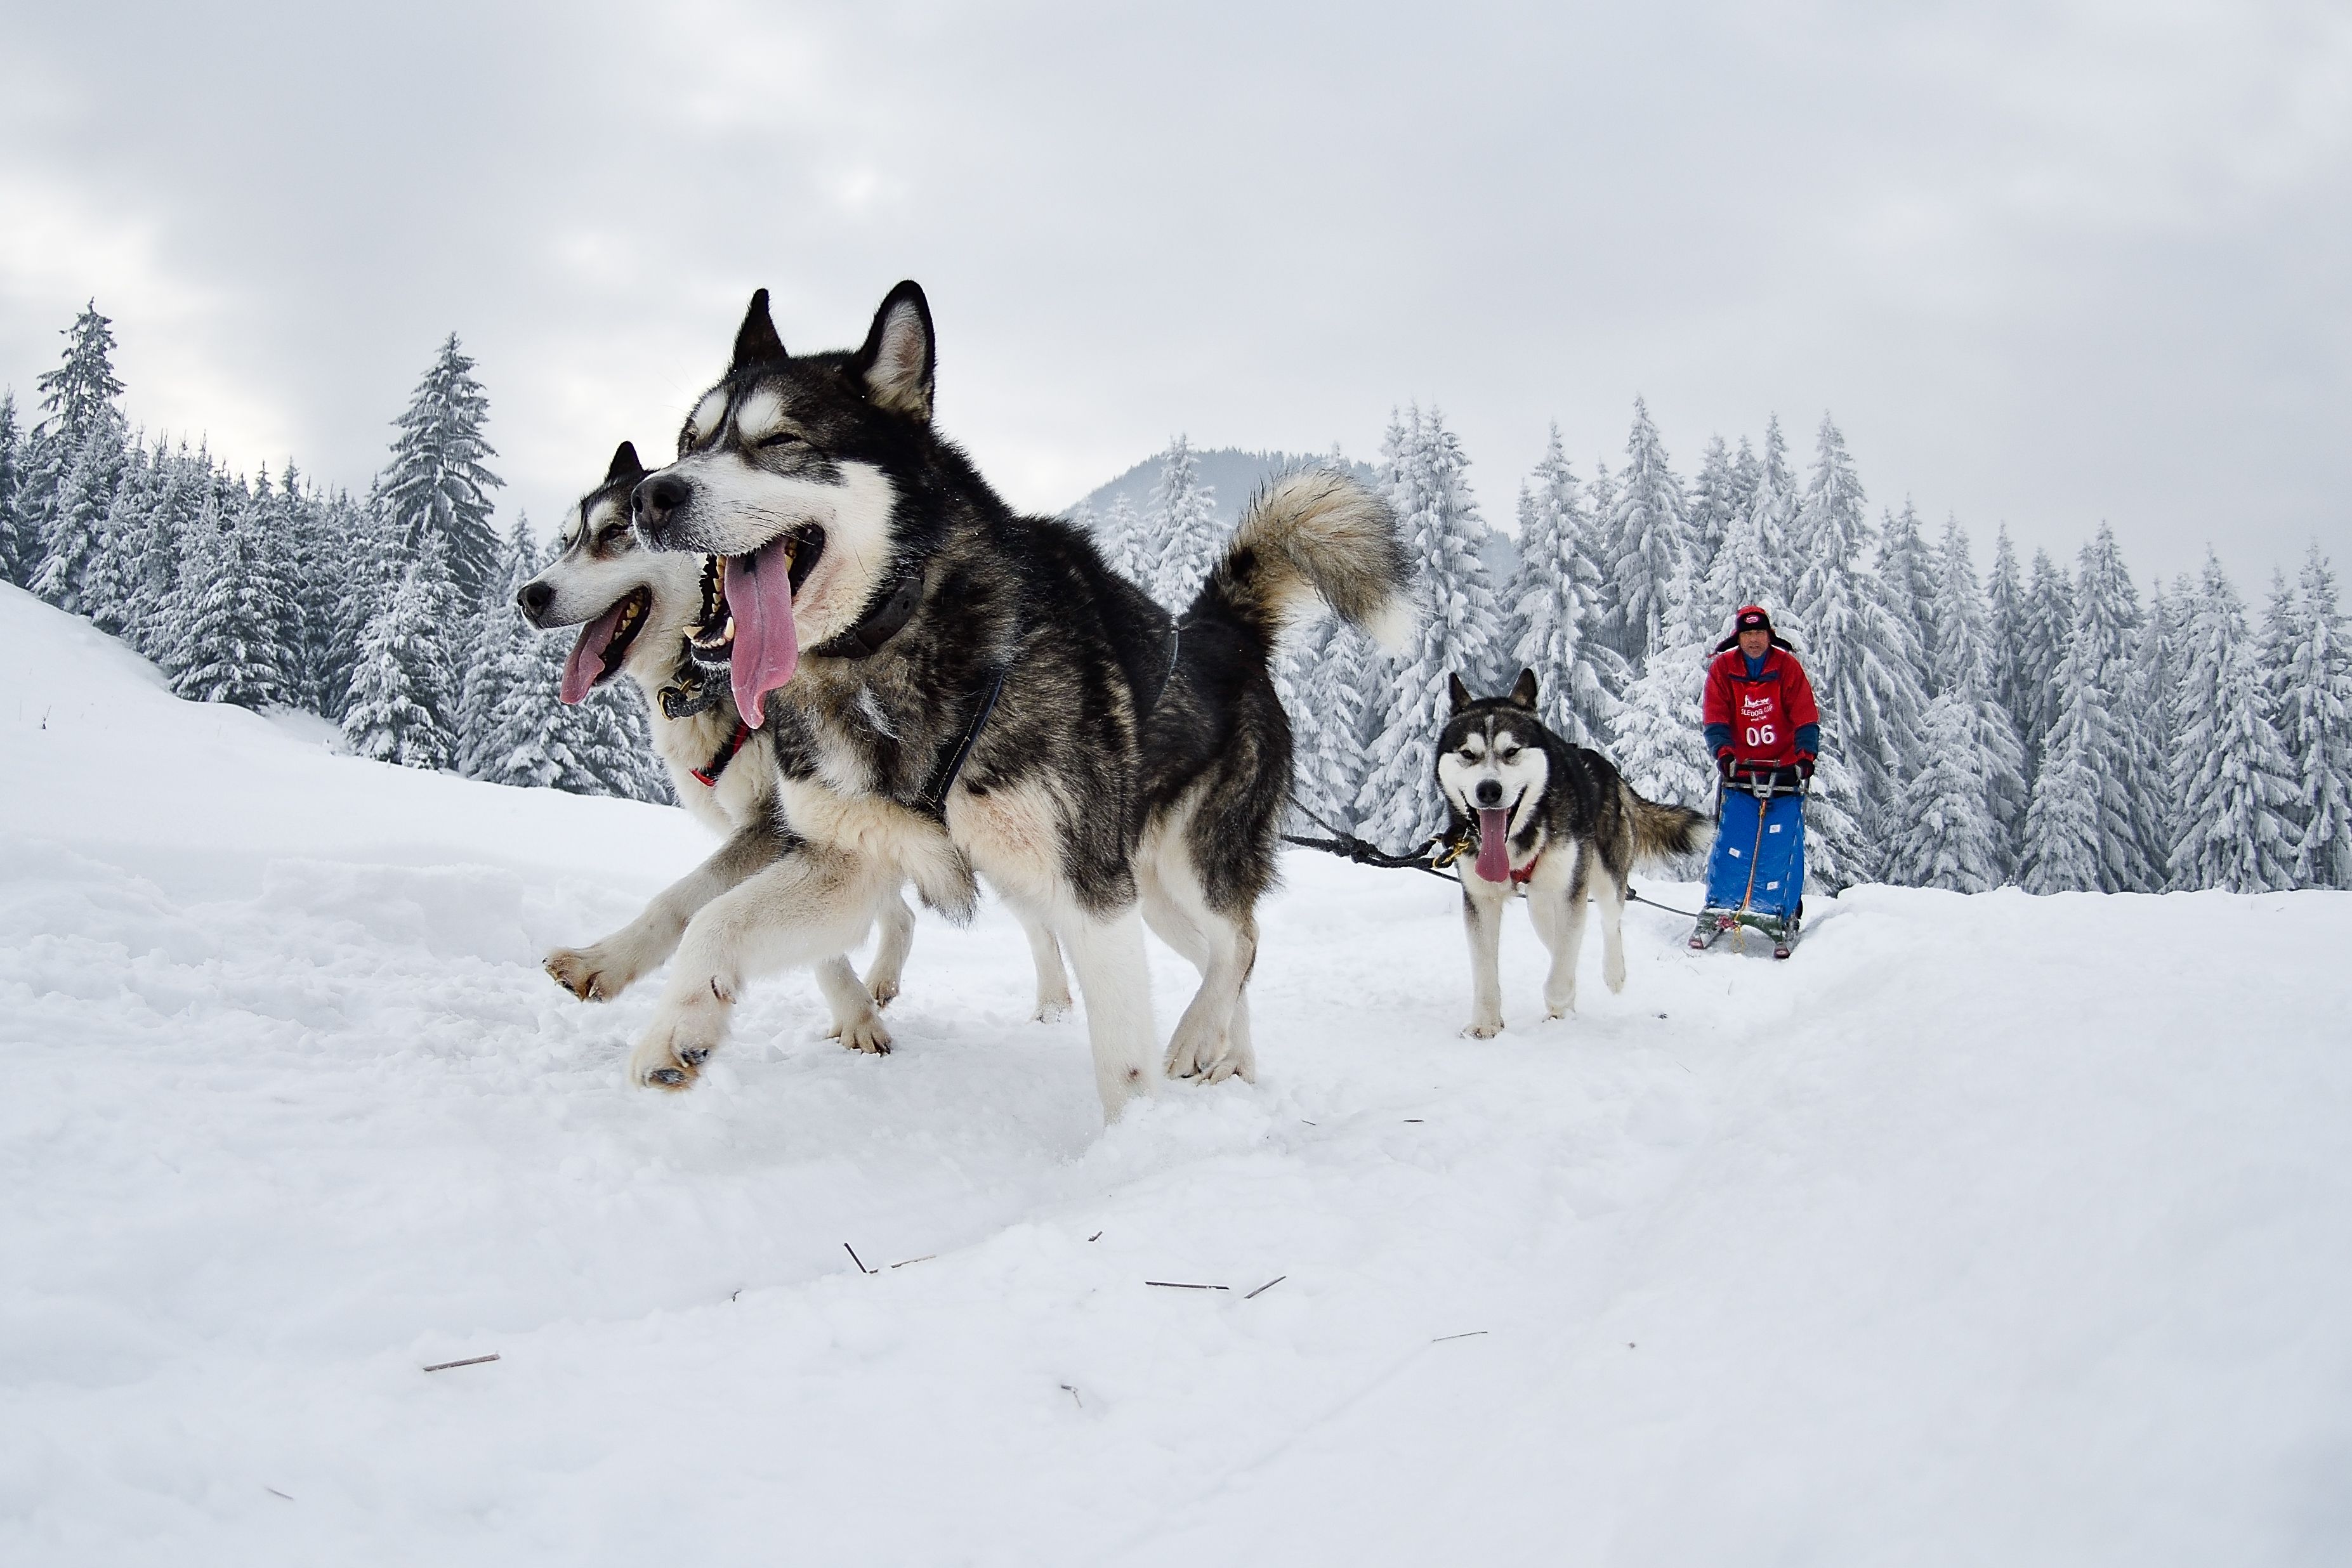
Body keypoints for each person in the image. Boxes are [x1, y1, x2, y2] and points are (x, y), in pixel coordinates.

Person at [1693, 605, 1819, 955]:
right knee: (1734, 840)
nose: (1753, 640)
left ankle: (1781, 912)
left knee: (1781, 845)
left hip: (1784, 770)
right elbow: (1715, 716)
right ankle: (1721, 906)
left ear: (1769, 635)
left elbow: (1805, 714)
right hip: (1742, 770)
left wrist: (1806, 757)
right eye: (1747, 634)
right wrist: (1724, 754)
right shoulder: (1723, 668)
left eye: (1759, 634)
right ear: (1739, 637)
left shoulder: (1786, 667)